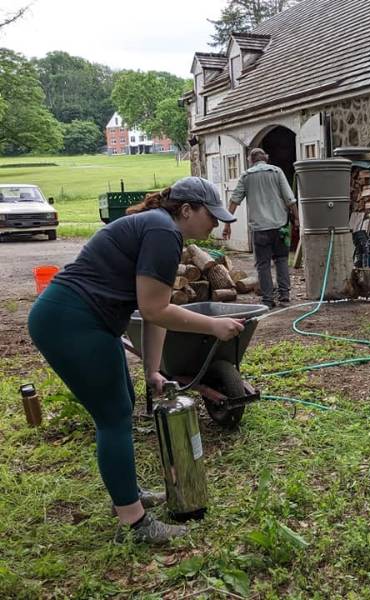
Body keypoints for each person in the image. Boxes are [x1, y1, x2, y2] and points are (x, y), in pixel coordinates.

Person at [27, 177, 245, 544]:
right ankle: (134, 523)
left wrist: (153, 370)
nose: (215, 223)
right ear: (186, 210)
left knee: (121, 406)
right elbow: (155, 309)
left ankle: (128, 495)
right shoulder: (162, 231)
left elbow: (155, 311)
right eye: (211, 215)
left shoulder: (161, 230)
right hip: (72, 322)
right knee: (113, 417)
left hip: (84, 321)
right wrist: (213, 325)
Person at [223, 148, 298, 309]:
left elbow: (234, 200)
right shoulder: (277, 172)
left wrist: (227, 224)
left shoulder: (246, 176)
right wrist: (297, 218)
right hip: (280, 226)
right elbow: (290, 199)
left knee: (263, 264)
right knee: (281, 260)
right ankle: (284, 296)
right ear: (266, 158)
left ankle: (267, 299)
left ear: (250, 160)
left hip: (260, 229)